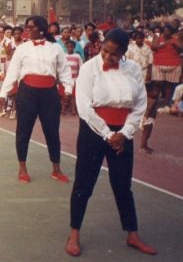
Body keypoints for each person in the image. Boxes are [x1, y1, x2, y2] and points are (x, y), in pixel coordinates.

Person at [65, 29, 157, 257]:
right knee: (83, 184)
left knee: (123, 185)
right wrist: (108, 134)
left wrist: (124, 133)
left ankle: (132, 233)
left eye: (114, 55)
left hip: (123, 134)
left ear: (124, 53)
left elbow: (139, 105)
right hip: (94, 131)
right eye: (105, 51)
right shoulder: (89, 68)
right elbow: (85, 107)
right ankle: (74, 233)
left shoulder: (134, 70)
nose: (107, 57)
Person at [0, 15, 73, 184]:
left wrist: (68, 89)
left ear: (41, 29)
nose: (28, 30)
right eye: (27, 27)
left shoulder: (56, 48)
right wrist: (3, 93)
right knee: (23, 131)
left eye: (31, 27)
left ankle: (56, 169)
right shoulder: (22, 49)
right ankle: (22, 168)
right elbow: (13, 72)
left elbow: (65, 71)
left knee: (52, 131)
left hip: (49, 94)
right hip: (27, 93)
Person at [150, 24, 182, 114]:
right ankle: (154, 102)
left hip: (173, 64)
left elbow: (180, 49)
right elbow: (153, 47)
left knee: (169, 85)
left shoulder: (175, 39)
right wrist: (165, 44)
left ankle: (166, 102)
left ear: (171, 32)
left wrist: (174, 44)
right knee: (158, 83)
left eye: (168, 30)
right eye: (165, 30)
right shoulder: (158, 38)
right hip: (158, 64)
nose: (166, 32)